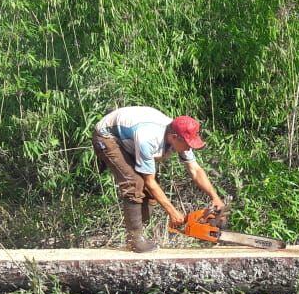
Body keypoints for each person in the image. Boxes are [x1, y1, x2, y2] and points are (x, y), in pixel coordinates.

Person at [93, 106, 224, 252]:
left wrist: (215, 197)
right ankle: (134, 240)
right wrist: (172, 212)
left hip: (130, 138)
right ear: (174, 137)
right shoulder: (148, 139)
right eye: (187, 144)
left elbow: (195, 170)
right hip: (108, 137)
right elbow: (149, 181)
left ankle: (140, 233)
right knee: (134, 183)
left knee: (151, 192)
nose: (188, 148)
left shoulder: (180, 134)